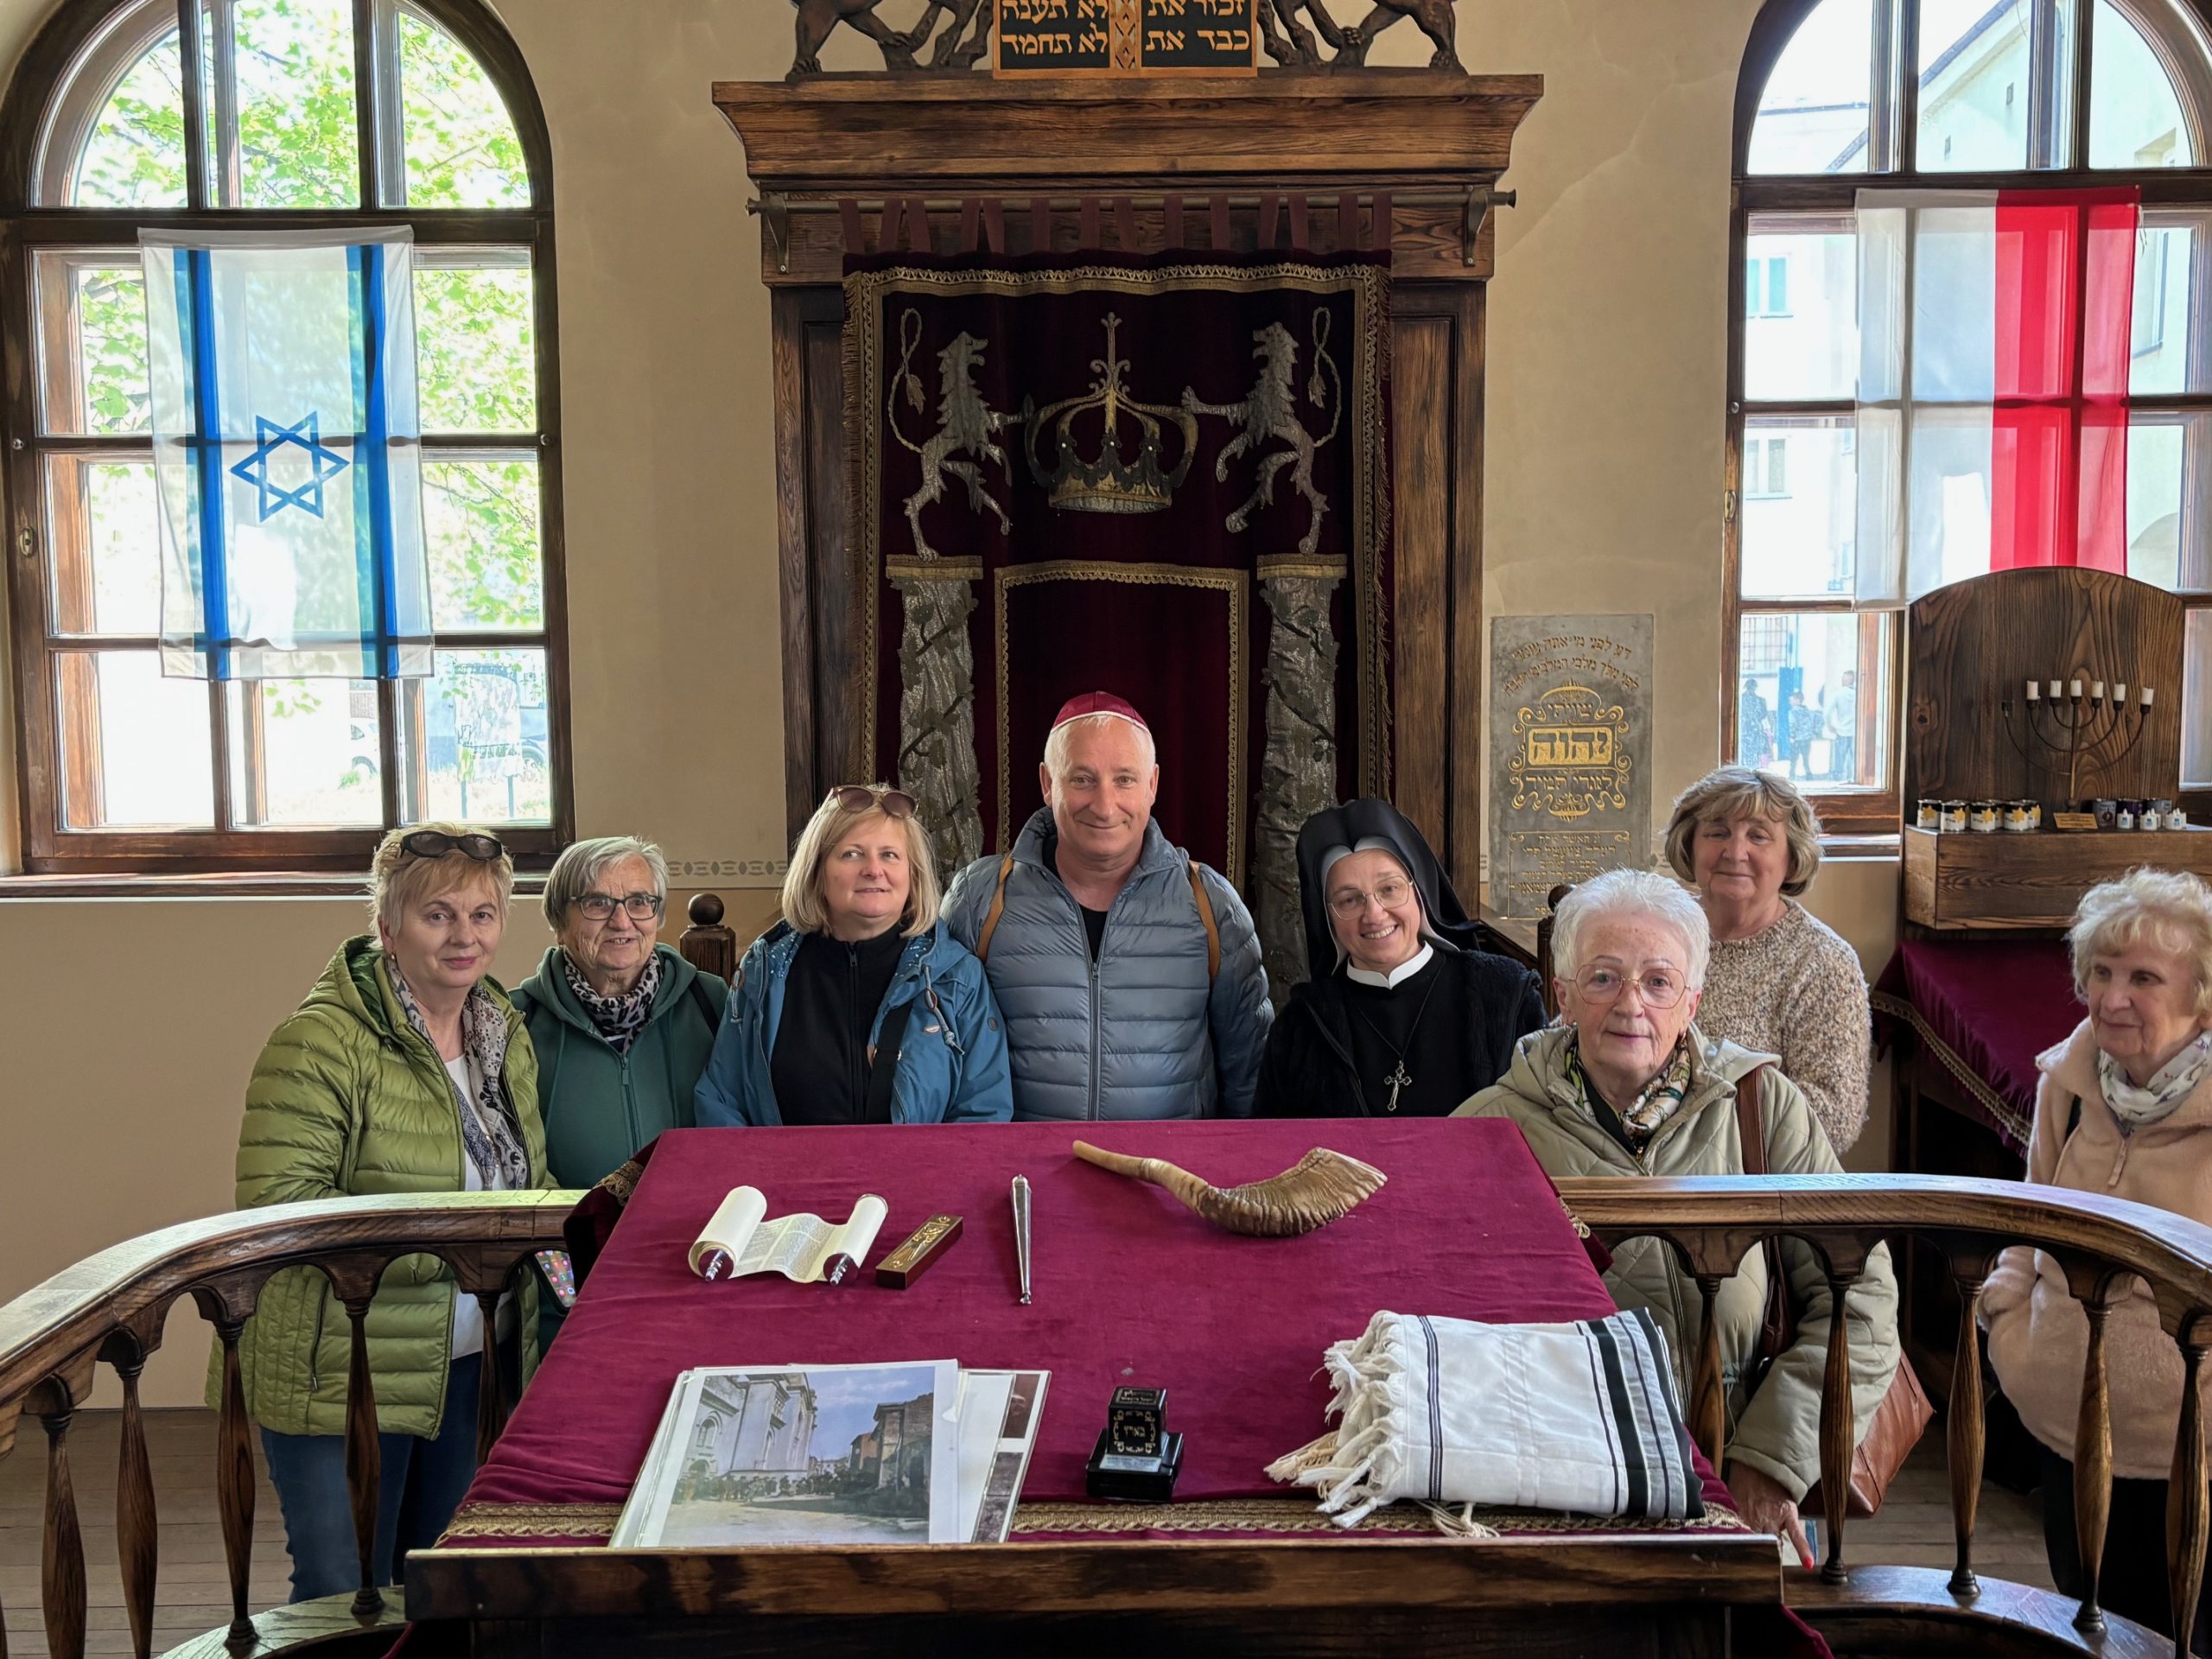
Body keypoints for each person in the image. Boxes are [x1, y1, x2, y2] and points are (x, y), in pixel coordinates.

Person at [1456, 868, 1899, 1564]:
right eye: (1604, 978)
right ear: (1564, 995)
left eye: (1658, 981)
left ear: (1692, 1000)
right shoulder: (1486, 1130)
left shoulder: (1763, 1108)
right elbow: (1446, 1329)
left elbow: (1861, 1297)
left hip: (1745, 1481)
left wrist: (1770, 1463)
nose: (1631, 1003)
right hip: (1555, 1502)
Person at [219, 823, 546, 1601]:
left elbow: (524, 1181)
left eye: (482, 914)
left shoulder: (502, 1031)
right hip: (340, 1363)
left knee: (438, 1581)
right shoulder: (320, 1042)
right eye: (438, 915)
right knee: (343, 1588)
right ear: (388, 927)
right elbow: (282, 1205)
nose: (464, 936)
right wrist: (456, 1252)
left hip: (473, 1358)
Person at [1982, 869, 2212, 1646]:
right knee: (2088, 1624)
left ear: (2201, 997)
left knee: (2179, 1635)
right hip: (2067, 1424)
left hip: (2190, 1451)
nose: (2113, 998)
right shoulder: (2071, 1082)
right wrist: (2011, 1330)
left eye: (2144, 979)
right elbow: (2028, 1218)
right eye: (2102, 973)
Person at [942, 691, 1272, 1121]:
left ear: (1152, 785)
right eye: (1082, 779)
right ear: (1047, 783)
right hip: (1019, 1163)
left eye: (1125, 779)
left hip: (1169, 1163)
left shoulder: (1210, 904)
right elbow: (942, 1058)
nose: (1103, 806)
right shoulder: (980, 897)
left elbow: (1249, 1071)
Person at [696, 785, 1012, 1125]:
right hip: (782, 1163)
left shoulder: (956, 976)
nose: (873, 869)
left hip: (923, 1164)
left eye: (889, 855)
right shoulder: (765, 973)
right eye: (852, 854)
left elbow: (983, 1113)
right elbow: (723, 1103)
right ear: (817, 871)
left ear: (913, 874)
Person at [1255, 798, 1543, 1116]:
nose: (1374, 915)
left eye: (1389, 889)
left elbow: (1541, 1124)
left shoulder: (1506, 995)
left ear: (1419, 892)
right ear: (1328, 918)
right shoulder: (1302, 1023)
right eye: (1349, 900)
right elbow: (1271, 1138)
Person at [1664, 766, 1871, 1154]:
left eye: (1758, 836)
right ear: (1690, 845)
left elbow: (1835, 1117)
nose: (1734, 852)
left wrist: (1686, 1122)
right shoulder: (1655, 933)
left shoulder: (1823, 962)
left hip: (1759, 1179)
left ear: (1791, 858)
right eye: (1717, 832)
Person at [512, 836, 726, 1191]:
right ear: (559, 923)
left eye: (639, 902)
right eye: (598, 903)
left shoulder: (711, 1002)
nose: (622, 922)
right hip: (569, 1223)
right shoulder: (518, 1019)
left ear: (657, 916)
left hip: (695, 1219)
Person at [1825, 669, 1859, 782]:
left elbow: (1827, 712)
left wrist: (1830, 726)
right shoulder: (1860, 694)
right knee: (1854, 760)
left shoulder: (1838, 694)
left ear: (1844, 680)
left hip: (1841, 731)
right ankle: (1852, 779)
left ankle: (1838, 780)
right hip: (1856, 732)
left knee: (1839, 760)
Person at [1738, 677, 1776, 769]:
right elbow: (1763, 715)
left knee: (1744, 754)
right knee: (1755, 754)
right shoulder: (1761, 700)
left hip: (1744, 730)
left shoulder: (1739, 699)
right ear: (1755, 687)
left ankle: (1745, 770)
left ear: (1746, 686)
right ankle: (1752, 770)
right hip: (1755, 731)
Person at [1785, 690, 1820, 779]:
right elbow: (1818, 720)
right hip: (1807, 738)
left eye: (1791, 700)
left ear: (1797, 700)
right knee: (1805, 759)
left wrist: (1792, 736)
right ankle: (1809, 775)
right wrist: (1814, 732)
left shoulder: (1793, 712)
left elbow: (1792, 724)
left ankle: (1792, 775)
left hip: (1797, 739)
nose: (1790, 702)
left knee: (1794, 759)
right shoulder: (1809, 712)